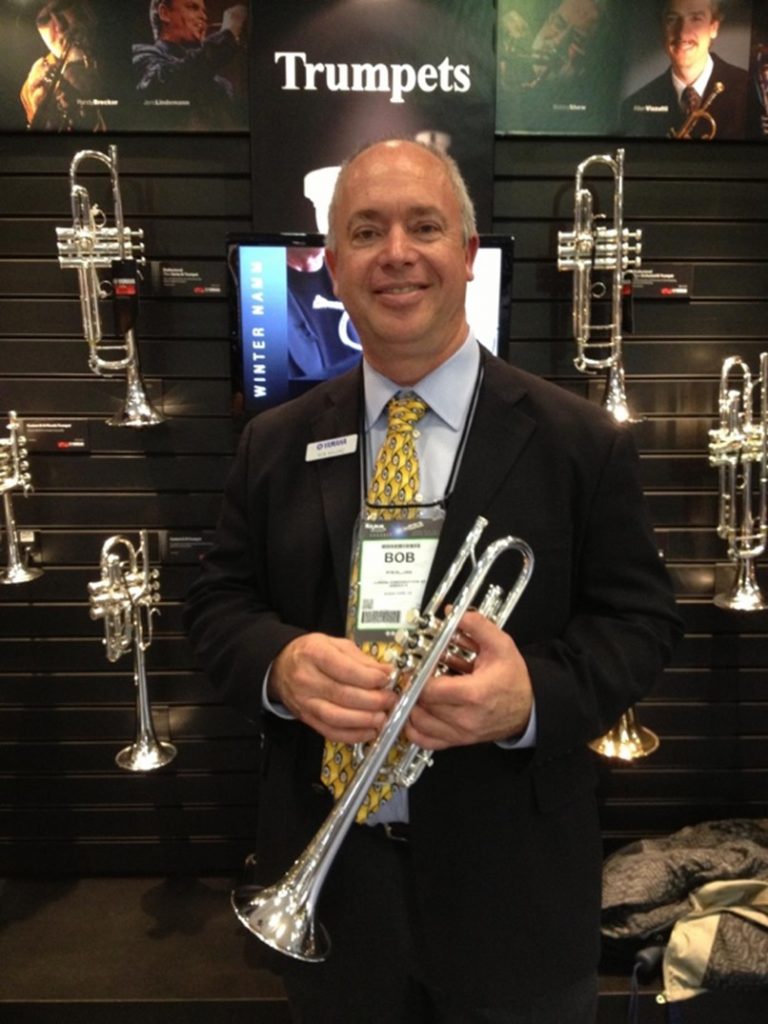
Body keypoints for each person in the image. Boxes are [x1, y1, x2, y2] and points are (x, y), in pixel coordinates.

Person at [184, 138, 682, 1023]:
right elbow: (217, 607)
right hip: (332, 898)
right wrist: (282, 662)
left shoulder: (582, 441)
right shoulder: (275, 442)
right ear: (333, 266)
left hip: (516, 896)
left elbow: (641, 625)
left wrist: (532, 697)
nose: (397, 253)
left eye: (424, 226)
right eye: (366, 232)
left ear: (467, 251)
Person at [620, 0, 749, 139]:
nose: (682, 33)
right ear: (662, 27)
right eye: (672, 19)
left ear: (713, 28)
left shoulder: (748, 90)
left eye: (695, 19)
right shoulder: (633, 105)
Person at [496, 0, 618, 134]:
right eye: (558, 24)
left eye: (578, 38)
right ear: (548, 19)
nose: (558, 42)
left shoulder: (590, 120)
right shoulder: (507, 51)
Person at [132, 0, 247, 130]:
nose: (204, 17)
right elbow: (168, 84)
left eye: (204, 12)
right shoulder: (141, 55)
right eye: (193, 7)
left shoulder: (222, 85)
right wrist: (227, 36)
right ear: (164, 13)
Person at [20, 0, 105, 131]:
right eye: (44, 19)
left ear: (86, 8)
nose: (59, 26)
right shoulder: (33, 85)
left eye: (62, 6)